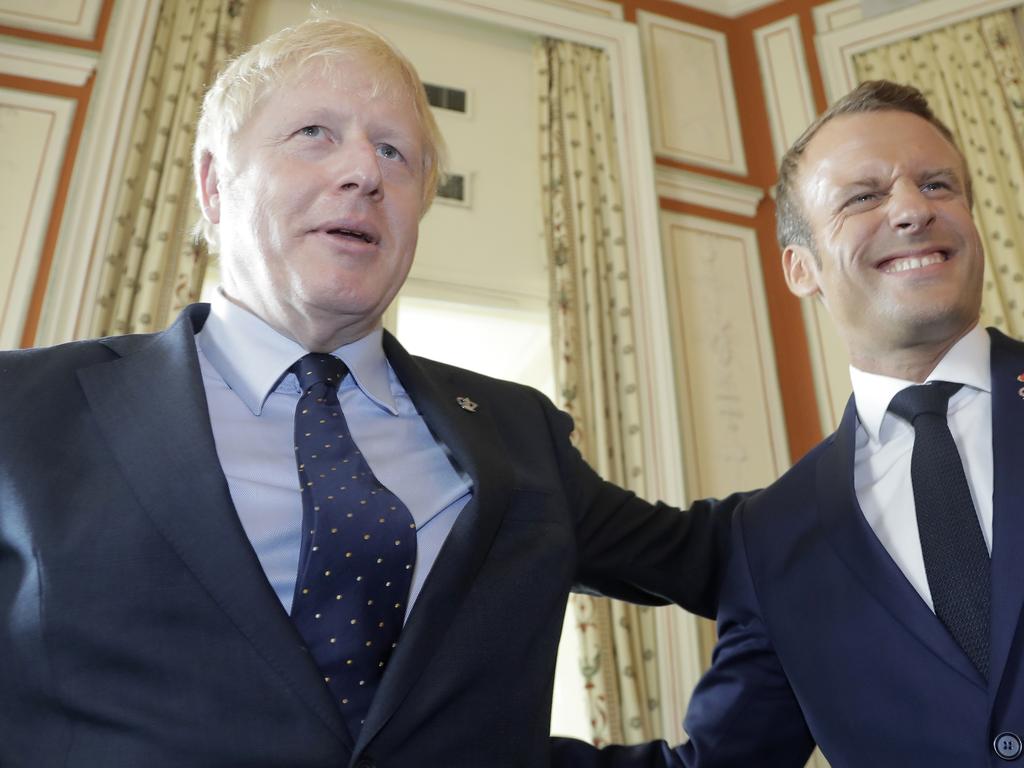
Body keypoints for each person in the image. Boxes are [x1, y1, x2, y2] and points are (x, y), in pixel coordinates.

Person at [0, 19, 741, 768]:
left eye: (395, 151)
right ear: (214, 183)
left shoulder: (522, 435)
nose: (364, 171)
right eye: (315, 133)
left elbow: (736, 560)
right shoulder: (21, 408)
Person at [551, 79, 1024, 767]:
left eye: (938, 184)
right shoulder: (772, 538)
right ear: (800, 269)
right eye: (864, 196)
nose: (913, 210)